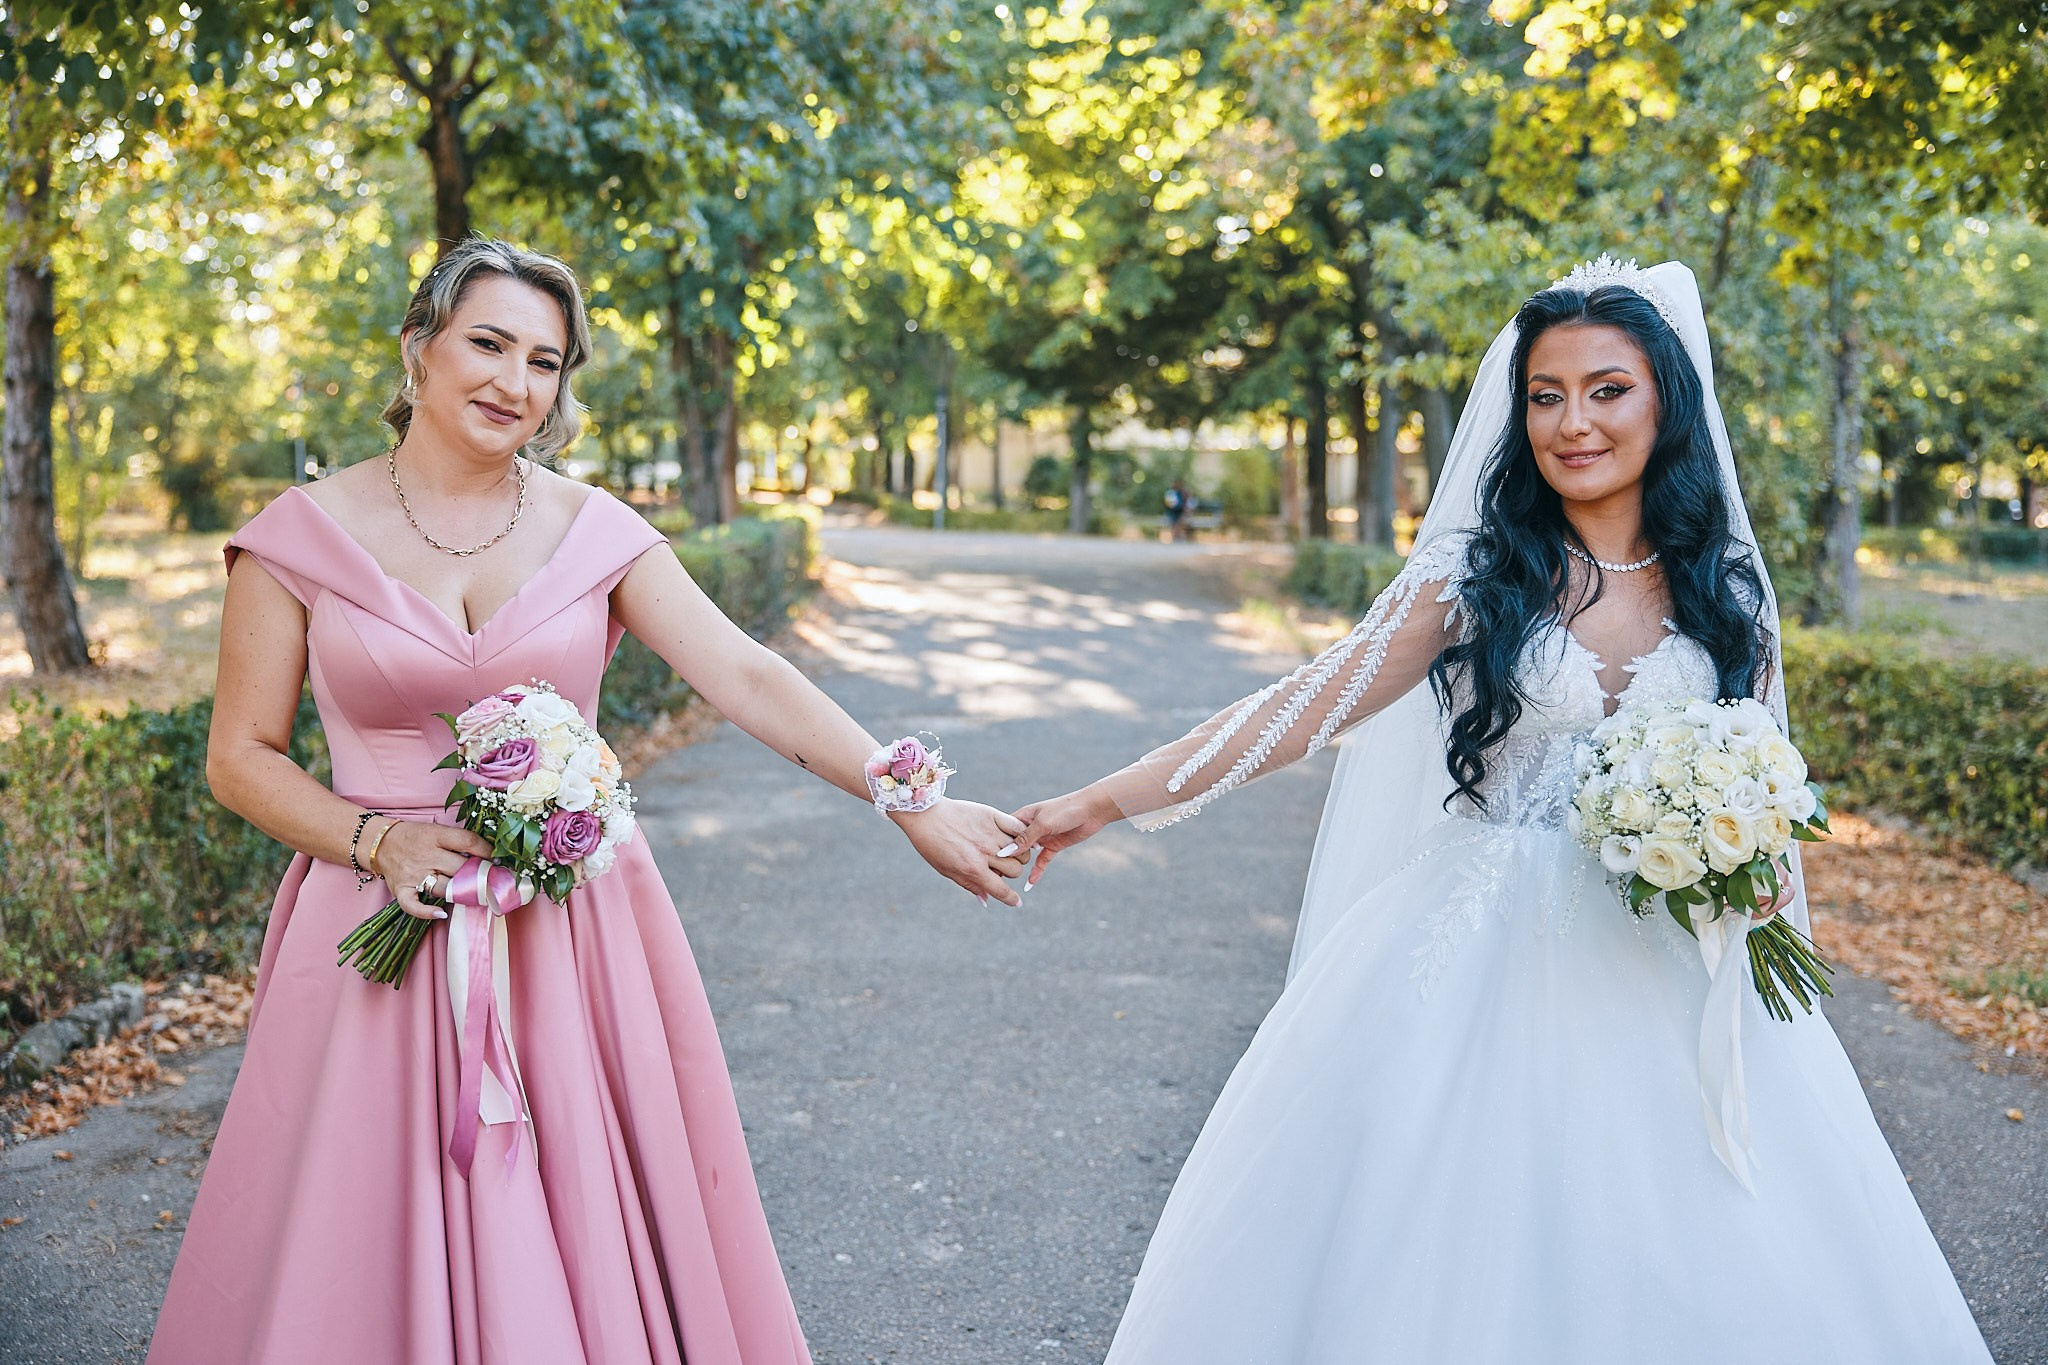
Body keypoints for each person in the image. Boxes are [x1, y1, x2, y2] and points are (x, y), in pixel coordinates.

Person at [1012, 259, 1993, 1363]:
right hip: (1468, 952)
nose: (1571, 422)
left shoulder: (1728, 593)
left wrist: (1753, 865)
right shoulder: (1473, 571)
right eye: (1544, 394)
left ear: (1664, 399)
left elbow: (1769, 779)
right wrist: (1098, 802)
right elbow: (1304, 706)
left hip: (1671, 966)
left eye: (1605, 389)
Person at [149, 237, 1026, 1364]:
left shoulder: (595, 532)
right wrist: (376, 840)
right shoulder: (296, 539)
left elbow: (747, 673)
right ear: (418, 348)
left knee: (575, 1227)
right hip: (374, 935)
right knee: (352, 1244)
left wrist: (910, 802)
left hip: (571, 940)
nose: (516, 383)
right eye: (489, 345)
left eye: (547, 361)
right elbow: (242, 755)